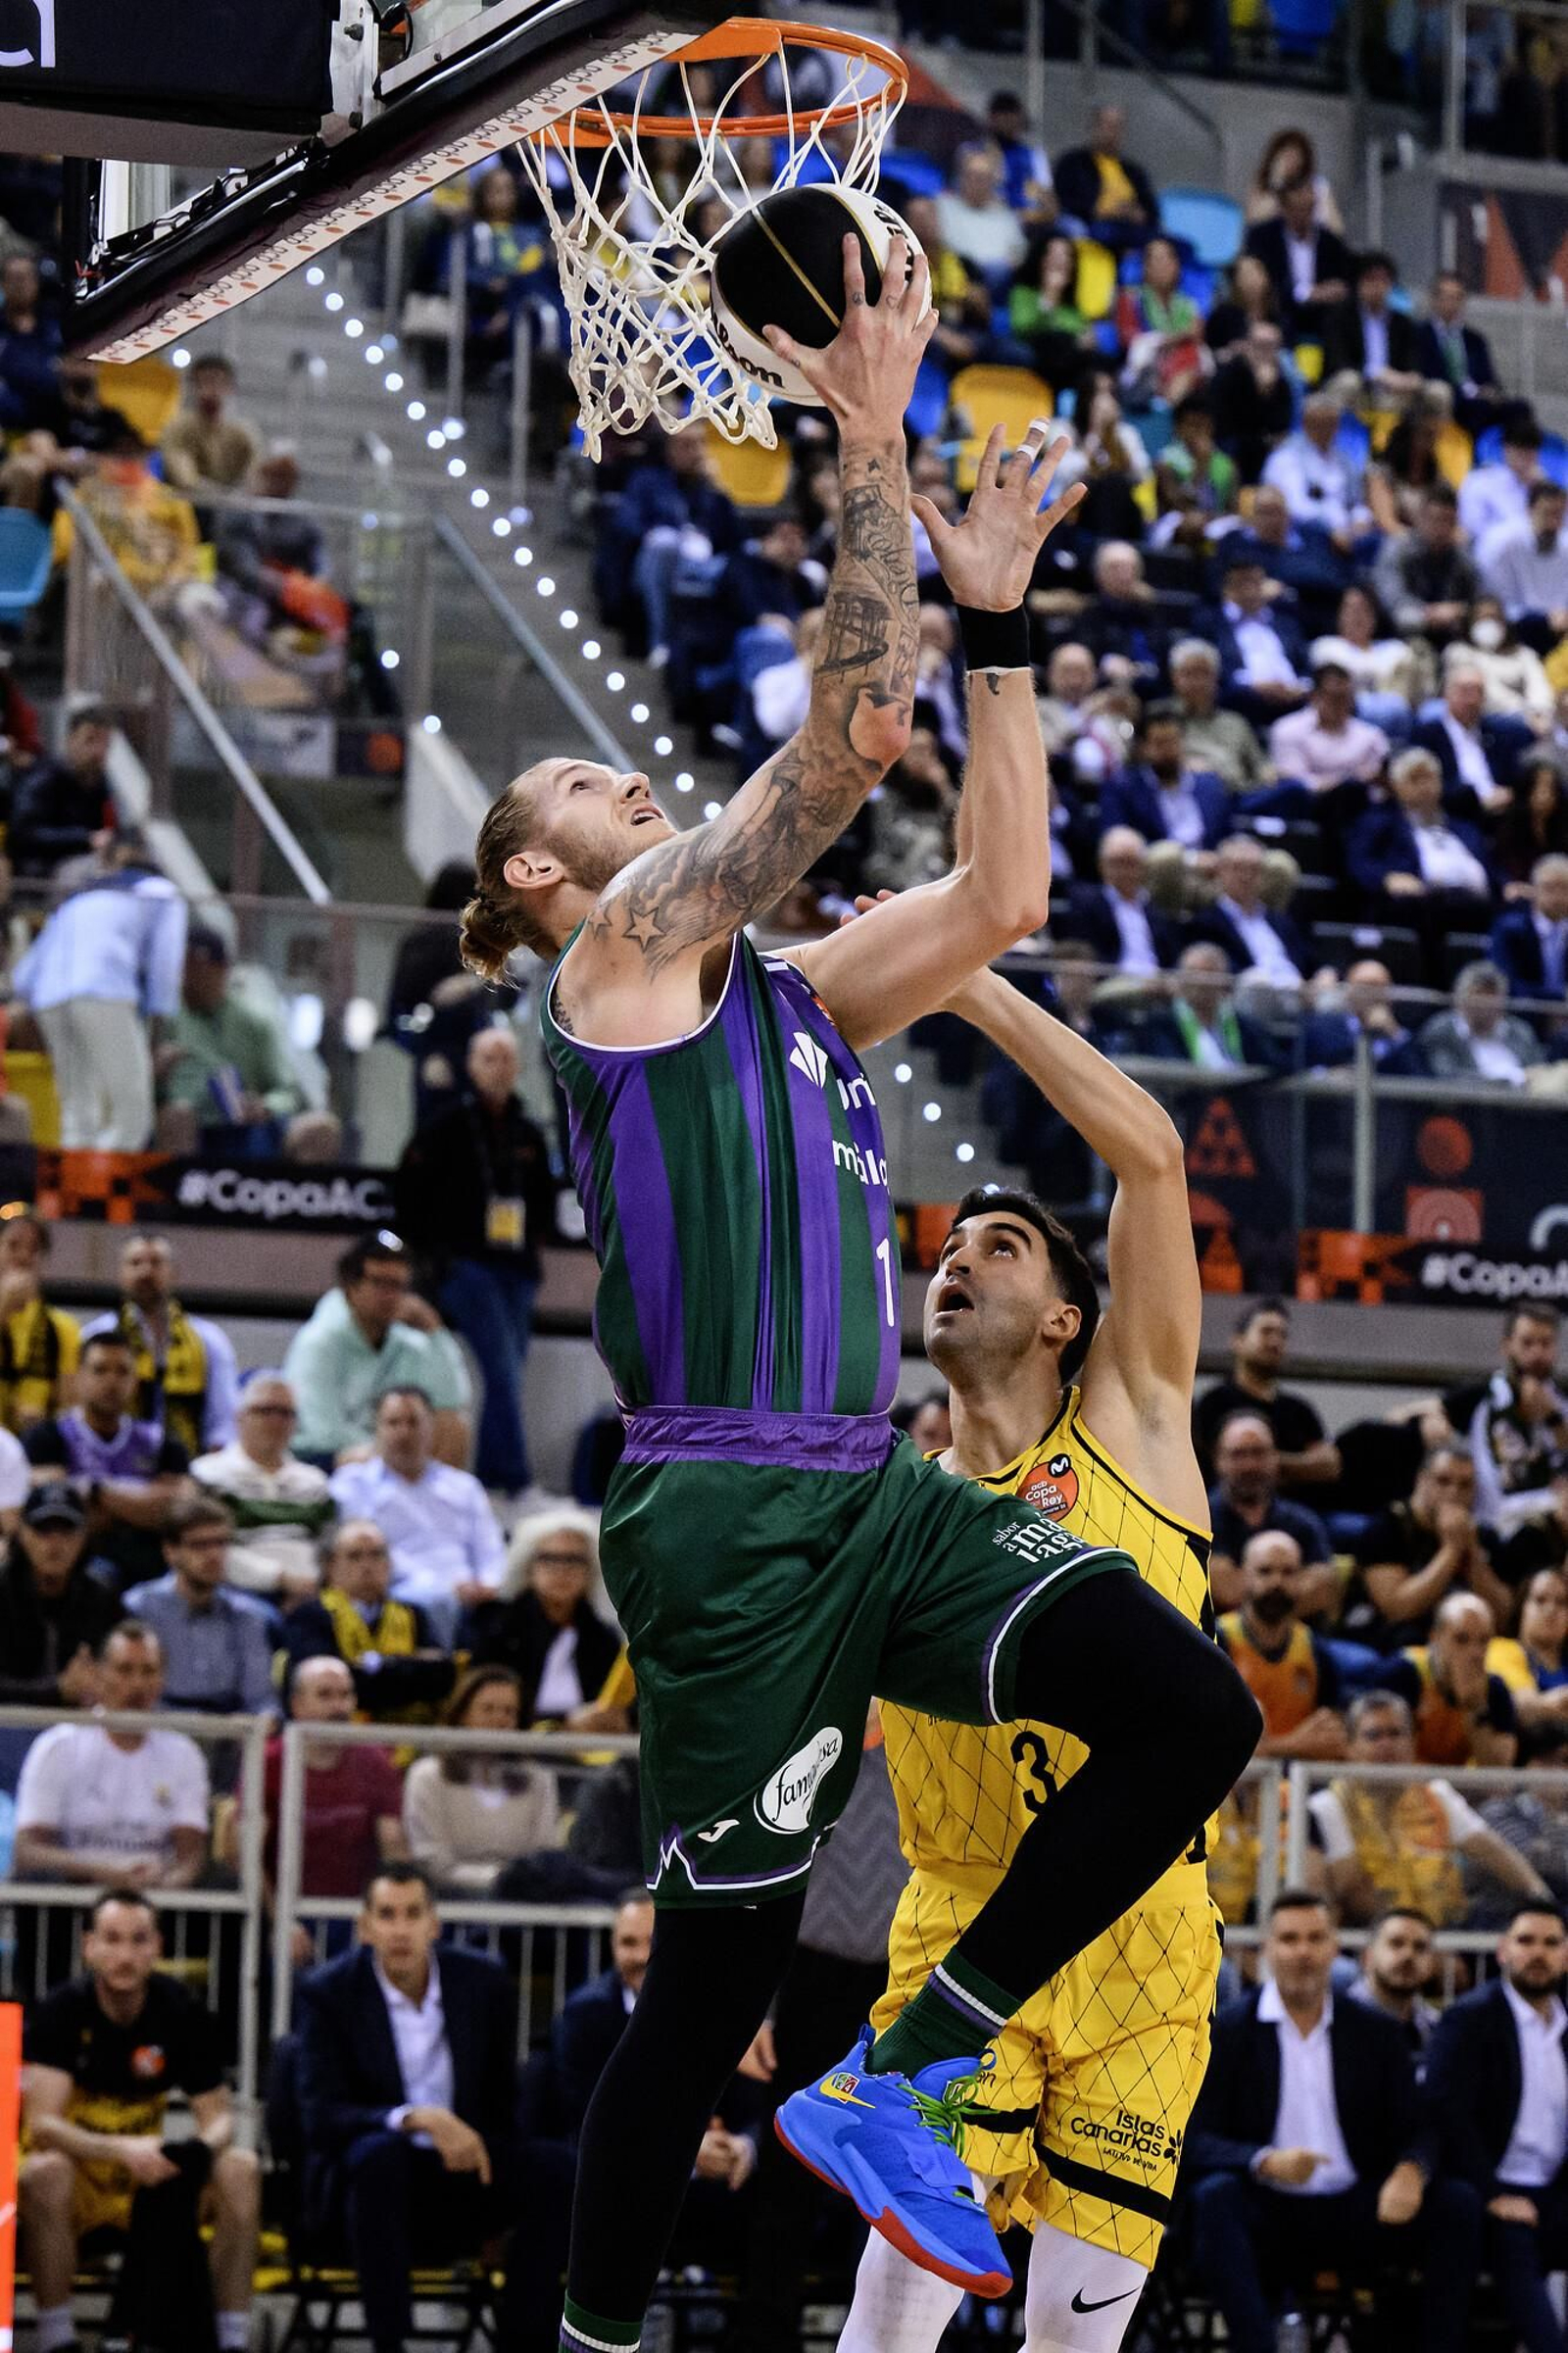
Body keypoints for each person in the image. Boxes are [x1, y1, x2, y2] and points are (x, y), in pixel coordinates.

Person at [459, 263, 1255, 2317]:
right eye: (581, 790)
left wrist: (1001, 624)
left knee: (1191, 1708)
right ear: (536, 875)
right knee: (710, 1978)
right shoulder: (618, 963)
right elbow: (843, 745)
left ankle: (905, 2067)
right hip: (729, 1507)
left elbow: (1005, 894)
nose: (622, 787)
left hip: (873, 1490)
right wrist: (872, 440)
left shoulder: (793, 992)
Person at [838, 962, 1230, 2351]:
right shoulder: (888, 1507)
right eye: (946, 1247)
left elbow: (1153, 1155)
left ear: (1069, 1317)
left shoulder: (1134, 1419)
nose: (955, 1258)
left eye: (998, 1246)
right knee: (892, 2321)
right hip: (963, 1920)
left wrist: (968, 984)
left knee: (1074, 2340)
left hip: (1149, 1942)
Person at [1185, 1887, 1481, 2353]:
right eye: (1289, 1939)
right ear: (1266, 1949)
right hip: (1267, 2210)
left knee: (1457, 2204)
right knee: (1214, 2198)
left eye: (1315, 1938)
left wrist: (1412, 2170)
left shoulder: (1375, 2031)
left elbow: (1420, 2124)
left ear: (1335, 1948)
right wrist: (1262, 2160)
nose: (1303, 1951)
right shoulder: (1230, 2032)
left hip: (1357, 2205)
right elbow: (1195, 2137)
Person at [296, 1861, 570, 2353]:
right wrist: (415, 2118)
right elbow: (321, 2116)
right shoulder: (329, 1993)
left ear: (434, 1924)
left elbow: (502, 2098)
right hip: (373, 2177)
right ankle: (390, 2342)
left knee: (559, 2170)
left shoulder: (483, 1982)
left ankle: (524, 2338)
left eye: (412, 1914)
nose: (400, 1929)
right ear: (364, 1927)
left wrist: (489, 2155)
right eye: (387, 1915)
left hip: (463, 2166)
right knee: (378, 2158)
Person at [21, 1889, 259, 2353]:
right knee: (44, 2171)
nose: (125, 1955)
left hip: (146, 2180)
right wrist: (120, 2149)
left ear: (158, 1948)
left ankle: (231, 2339)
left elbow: (220, 2121)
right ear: (89, 1946)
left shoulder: (181, 2009)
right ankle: (57, 2338)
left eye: (138, 1940)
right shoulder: (62, 2010)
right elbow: (43, 2125)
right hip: (84, 2176)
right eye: (112, 1939)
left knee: (241, 2168)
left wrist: (194, 2152)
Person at [394, 1025, 557, 1497]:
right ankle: (515, 1480)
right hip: (465, 1265)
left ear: (518, 1067)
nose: (498, 1067)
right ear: (471, 1067)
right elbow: (409, 1191)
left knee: (508, 1376)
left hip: (517, 1268)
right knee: (502, 1370)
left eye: (506, 1058)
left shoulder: (528, 1131)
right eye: (489, 1058)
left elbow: (545, 1199)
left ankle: (488, 1479)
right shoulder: (446, 1125)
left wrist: (534, 1240)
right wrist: (432, 1255)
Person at [1427, 1901, 1568, 2353]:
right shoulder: (1470, 2018)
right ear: (1503, 1950)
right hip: (1493, 2188)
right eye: (1526, 1941)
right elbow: (1446, 2111)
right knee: (1515, 2246)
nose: (1538, 1953)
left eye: (1551, 1943)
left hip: (1555, 2189)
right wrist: (1492, 2193)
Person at [1306, 1689, 1544, 1925]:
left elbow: (1493, 1851)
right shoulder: (1328, 1805)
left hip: (1444, 1931)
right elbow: (1351, 1890)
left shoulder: (1437, 1793)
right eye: (1374, 1735)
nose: (1386, 1744)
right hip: (1369, 1933)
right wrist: (1409, 1933)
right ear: (1349, 1746)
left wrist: (1542, 1900)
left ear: (1412, 1742)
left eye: (1396, 1733)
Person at [15, 833, 187, 1152]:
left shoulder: (79, 898)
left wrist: (31, 1000)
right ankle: (106, 1180)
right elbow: (165, 963)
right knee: (132, 1111)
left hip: (50, 998)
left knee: (77, 1112)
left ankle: (75, 1181)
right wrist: (158, 1022)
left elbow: (25, 975)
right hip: (103, 992)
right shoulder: (161, 891)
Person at [13, 1621, 210, 1888]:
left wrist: (163, 1888)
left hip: (154, 1897)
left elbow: (191, 1858)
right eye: (124, 1670)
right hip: (74, 1895)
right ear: (101, 1673)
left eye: (148, 1671)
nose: (137, 1684)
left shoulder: (184, 1753)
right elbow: (27, 1852)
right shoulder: (57, 1746)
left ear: (162, 1681)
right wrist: (104, 1873)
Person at [24, 1328, 192, 1593]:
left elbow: (176, 1510)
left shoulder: (161, 1440)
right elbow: (55, 1508)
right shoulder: (46, 1437)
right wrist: (140, 1503)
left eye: (123, 1372)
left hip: (154, 1566)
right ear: (79, 1377)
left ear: (135, 1381)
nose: (112, 1381)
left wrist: (95, 1491)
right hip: (78, 1564)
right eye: (100, 1370)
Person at [282, 1233, 471, 1468]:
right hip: (322, 1460)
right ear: (351, 1287)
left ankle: (431, 1492)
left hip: (386, 1454)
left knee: (454, 1426)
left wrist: (435, 1330)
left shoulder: (407, 1342)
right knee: (358, 1456)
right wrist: (389, 1448)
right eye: (379, 1283)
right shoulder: (318, 1341)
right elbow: (323, 1433)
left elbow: (453, 1398)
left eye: (398, 1285)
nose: (390, 1296)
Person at [328, 1388, 502, 1642]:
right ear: (377, 1429)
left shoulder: (464, 1486)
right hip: (398, 1588)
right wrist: (445, 1586)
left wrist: (488, 1583)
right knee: (436, 1601)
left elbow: (490, 1547)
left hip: (470, 1590)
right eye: (393, 1423)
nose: (404, 1432)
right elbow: (365, 1549)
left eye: (413, 1422)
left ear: (431, 1428)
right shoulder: (354, 1484)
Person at [260, 1656, 408, 1937]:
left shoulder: (375, 1760)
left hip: (359, 1915)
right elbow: (245, 1854)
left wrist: (384, 1921)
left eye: (345, 1695)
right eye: (325, 1695)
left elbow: (393, 1848)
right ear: (297, 1705)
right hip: (283, 1915)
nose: (339, 1707)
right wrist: (280, 1922)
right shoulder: (268, 1761)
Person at [82, 1232, 239, 1462]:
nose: (145, 1272)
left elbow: (224, 1424)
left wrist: (209, 1472)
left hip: (189, 1468)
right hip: (110, 1465)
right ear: (121, 1274)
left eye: (156, 1262)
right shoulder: (96, 1336)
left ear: (174, 1273)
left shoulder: (209, 1340)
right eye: (135, 1263)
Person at [403, 1665, 561, 1892]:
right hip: (453, 1893)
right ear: (462, 1715)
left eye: (509, 1712)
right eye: (488, 1709)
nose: (499, 1720)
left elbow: (544, 1853)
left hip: (524, 1893)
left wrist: (519, 1881)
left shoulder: (539, 1778)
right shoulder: (427, 1776)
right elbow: (431, 1860)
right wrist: (499, 1878)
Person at [279, 1521, 456, 1725]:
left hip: (410, 1736)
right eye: (354, 1556)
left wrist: (370, 1668)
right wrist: (407, 1668)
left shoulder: (413, 1614)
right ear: (329, 1566)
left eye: (377, 1555)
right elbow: (323, 1686)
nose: (367, 1566)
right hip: (337, 1733)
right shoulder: (309, 1615)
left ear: (389, 1564)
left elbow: (442, 1677)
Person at [122, 1494, 275, 1721]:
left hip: (231, 1730)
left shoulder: (248, 1614)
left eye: (221, 1543)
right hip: (159, 1725)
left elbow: (260, 1699)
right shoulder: (140, 1607)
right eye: (200, 1545)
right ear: (170, 1552)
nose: (214, 1555)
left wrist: (263, 1719)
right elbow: (130, 1691)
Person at [158, 924, 302, 1154]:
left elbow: (288, 1092)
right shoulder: (166, 1018)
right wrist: (158, 1074)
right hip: (187, 1123)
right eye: (183, 968)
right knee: (179, 1115)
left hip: (243, 1126)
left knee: (319, 1129)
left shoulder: (253, 1021)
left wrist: (265, 1106)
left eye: (196, 968)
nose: (188, 978)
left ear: (222, 969)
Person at [467, 1508, 620, 1724]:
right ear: (528, 1567)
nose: (562, 1570)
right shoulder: (499, 1629)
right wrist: (565, 1725)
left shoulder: (603, 1639)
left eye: (574, 1560)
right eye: (550, 1558)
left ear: (591, 1571)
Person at [1350, 1444, 1509, 1648]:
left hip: (1461, 1638)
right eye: (1443, 1481)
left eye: (1465, 1485)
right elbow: (1397, 1609)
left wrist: (1472, 1552)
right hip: (1390, 1639)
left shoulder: (1483, 1536)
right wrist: (1452, 1550)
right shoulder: (1388, 1526)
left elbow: (1502, 1618)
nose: (1453, 1492)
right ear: (1422, 1480)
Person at [191, 1373, 332, 1600]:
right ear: (240, 1417)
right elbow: (209, 1549)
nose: (276, 1421)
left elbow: (330, 1550)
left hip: (312, 1595)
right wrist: (281, 1580)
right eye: (265, 1411)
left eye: (285, 1413)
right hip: (236, 1594)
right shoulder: (208, 1474)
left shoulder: (315, 1481)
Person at [1216, 1528, 1348, 1758]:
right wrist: (1293, 1745)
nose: (1277, 1582)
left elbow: (1333, 1741)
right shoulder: (1217, 1640)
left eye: (1288, 1572)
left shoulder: (1316, 1651)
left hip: (1298, 1779)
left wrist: (1268, 1748)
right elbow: (1213, 1738)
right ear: (1244, 1575)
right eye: (1265, 1571)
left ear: (1301, 1578)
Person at [1444, 1305, 1568, 1540]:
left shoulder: (1562, 1405)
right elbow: (1426, 1414)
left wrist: (1553, 1418)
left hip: (1551, 1531)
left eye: (1545, 1343)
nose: (1537, 1353)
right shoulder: (1479, 1396)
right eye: (1527, 1343)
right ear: (1507, 1346)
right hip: (1490, 1528)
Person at [1193, 1297, 1341, 1492]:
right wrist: (1299, 1466)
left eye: (1282, 1335)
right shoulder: (1214, 1403)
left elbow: (1329, 1465)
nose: (1275, 1341)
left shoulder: (1298, 1409)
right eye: (1266, 1332)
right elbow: (1213, 1466)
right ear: (1238, 1341)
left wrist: (1268, 1460)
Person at [0, 1480, 120, 1706]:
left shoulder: (101, 1595)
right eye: (43, 1530)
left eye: (67, 1531)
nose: (55, 1543)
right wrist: (56, 1691)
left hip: (82, 1722)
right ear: (22, 1533)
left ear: (84, 1536)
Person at [1204, 1414, 1337, 1615]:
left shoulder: (1303, 1522)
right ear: (1218, 1460)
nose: (1250, 1465)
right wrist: (1288, 1587)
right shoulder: (1201, 1518)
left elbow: (1322, 1589)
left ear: (1275, 1457)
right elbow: (1226, 1591)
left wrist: (1254, 1589)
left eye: (1258, 1453)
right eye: (1238, 1454)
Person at [1385, 1591, 1521, 1767]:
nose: (1475, 1652)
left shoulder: (1494, 1688)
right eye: (1461, 1639)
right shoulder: (1402, 1673)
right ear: (1435, 1638)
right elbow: (1384, 1754)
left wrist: (1475, 1708)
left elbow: (1498, 1771)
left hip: (1460, 1783)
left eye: (1483, 1641)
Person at [1098, 705, 1230, 852]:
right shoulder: (1124, 787)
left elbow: (1227, 831)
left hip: (1210, 859)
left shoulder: (1210, 784)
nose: (1168, 750)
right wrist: (1190, 860)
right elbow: (1117, 838)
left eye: (1173, 741)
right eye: (1160, 743)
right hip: (1154, 861)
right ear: (1144, 748)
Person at [8, 699, 116, 879]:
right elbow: (24, 834)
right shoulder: (44, 777)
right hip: (41, 872)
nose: (98, 751)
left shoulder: (100, 784)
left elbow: (111, 830)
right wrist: (85, 839)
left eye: (105, 743)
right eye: (90, 740)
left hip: (81, 862)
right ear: (71, 740)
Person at [1189, 835, 1313, 987]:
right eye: (1237, 868)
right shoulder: (1206, 921)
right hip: (1248, 993)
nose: (1246, 876)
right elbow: (1220, 973)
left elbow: (1308, 962)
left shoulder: (1279, 919)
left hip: (1298, 992)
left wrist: (1324, 973)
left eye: (1254, 869)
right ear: (1220, 871)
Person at [1243, 175, 1352, 338]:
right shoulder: (1263, 237)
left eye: (1310, 208)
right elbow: (1267, 281)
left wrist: (1333, 290)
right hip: (1278, 312)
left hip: (1323, 316)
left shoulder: (1330, 242)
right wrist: (1307, 294)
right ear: (1284, 208)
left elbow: (1343, 281)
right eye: (1298, 208)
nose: (1305, 215)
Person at [0, 1211, 80, 1434]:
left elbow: (69, 1406)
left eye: (34, 1249)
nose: (23, 1256)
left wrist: (46, 1425)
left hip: (32, 1444)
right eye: (13, 1245)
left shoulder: (63, 1328)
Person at [1373, 483, 1480, 647]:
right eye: (1435, 519)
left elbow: (1483, 601)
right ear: (1420, 518)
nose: (1441, 528)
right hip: (1401, 638)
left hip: (1453, 638)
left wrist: (1461, 611)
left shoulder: (1462, 556)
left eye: (1448, 521)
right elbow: (1393, 605)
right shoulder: (1397, 549)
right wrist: (1430, 615)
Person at [1063, 827, 1181, 977]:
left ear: (1143, 866)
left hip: (1157, 980)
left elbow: (1170, 955)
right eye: (1118, 863)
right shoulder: (1087, 905)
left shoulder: (1155, 907)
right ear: (1102, 865)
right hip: (1112, 980)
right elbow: (1087, 954)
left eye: (1131, 863)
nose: (1125, 871)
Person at [1262, 388, 1373, 545]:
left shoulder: (1344, 459)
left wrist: (1360, 520)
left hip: (1348, 533)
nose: (1326, 430)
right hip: (1305, 535)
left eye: (1331, 424)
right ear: (1305, 423)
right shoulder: (1286, 457)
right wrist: (1331, 530)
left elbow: (1355, 502)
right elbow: (1295, 507)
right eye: (1319, 424)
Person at [1168, 638, 1272, 795]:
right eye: (1189, 674)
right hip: (1193, 795)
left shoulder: (1235, 722)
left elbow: (1259, 765)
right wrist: (1182, 765)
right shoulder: (1163, 718)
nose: (1197, 682)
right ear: (1174, 677)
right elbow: (1150, 760)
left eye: (1204, 673)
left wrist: (1269, 772)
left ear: (1216, 678)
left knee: (1292, 788)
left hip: (1242, 794)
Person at [1267, 662, 1390, 793]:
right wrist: (1344, 783)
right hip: (1308, 802)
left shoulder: (1371, 734)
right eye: (1334, 698)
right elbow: (1295, 783)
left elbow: (1379, 780)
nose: (1341, 705)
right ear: (1314, 696)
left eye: (1346, 698)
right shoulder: (1287, 729)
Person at [1420, 959, 1544, 1088]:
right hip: (1472, 1099)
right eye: (1479, 996)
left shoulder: (1520, 1030)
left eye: (1492, 997)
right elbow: (1447, 1078)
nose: (1485, 1006)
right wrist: (1509, 1081)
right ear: (1460, 999)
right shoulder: (1441, 1031)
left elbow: (1539, 1071)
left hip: (1527, 1098)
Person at [1320, 250, 1425, 402]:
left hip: (1393, 390)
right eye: (1371, 279)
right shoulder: (1340, 317)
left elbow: (1412, 361)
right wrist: (1375, 374)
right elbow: (1337, 362)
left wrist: (1410, 377)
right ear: (1359, 283)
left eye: (1383, 280)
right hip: (1357, 387)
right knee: (1348, 381)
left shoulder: (1402, 323)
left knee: (1434, 391)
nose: (1377, 286)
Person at [1053, 104, 1157, 250]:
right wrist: (1105, 210)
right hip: (1093, 226)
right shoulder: (1073, 163)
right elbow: (1063, 200)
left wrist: (1137, 213)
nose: (1112, 132)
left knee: (1169, 245)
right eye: (1107, 125)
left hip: (1131, 227)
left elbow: (1150, 209)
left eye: (1117, 126)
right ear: (1094, 127)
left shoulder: (1133, 171)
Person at [1482, 478, 1568, 651]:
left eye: (1558, 515)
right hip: (1516, 630)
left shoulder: (1565, 547)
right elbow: (1501, 604)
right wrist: (1544, 619)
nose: (1553, 523)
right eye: (1547, 514)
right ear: (1529, 511)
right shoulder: (1504, 545)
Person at [160, 354, 262, 496]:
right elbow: (184, 478)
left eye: (219, 382)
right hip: (188, 504)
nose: (212, 390)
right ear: (194, 386)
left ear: (230, 387)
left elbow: (255, 479)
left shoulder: (244, 433)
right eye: (205, 382)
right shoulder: (178, 428)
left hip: (231, 505)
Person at [1299, 957, 1418, 1073]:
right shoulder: (1321, 1027)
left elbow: (1419, 1078)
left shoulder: (1402, 1035)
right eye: (1363, 986)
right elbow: (1298, 1071)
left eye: (1377, 986)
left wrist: (1394, 1033)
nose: (1370, 993)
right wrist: (1327, 1075)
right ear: (1348, 991)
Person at [1348, 1906, 1441, 2053]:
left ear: (1432, 1964)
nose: (1408, 1955)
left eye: (1420, 1947)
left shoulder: (1437, 2027)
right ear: (1367, 1957)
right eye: (1396, 1943)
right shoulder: (1335, 2022)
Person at [1489, 1566, 1568, 1739]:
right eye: (1540, 1600)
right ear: (1522, 1608)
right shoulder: (1503, 1650)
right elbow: (1523, 1708)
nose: (1551, 1610)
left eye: (1561, 1602)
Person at [1416, 270, 1500, 427]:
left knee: (1519, 408)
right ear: (1434, 300)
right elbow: (1424, 373)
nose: (1452, 304)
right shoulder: (1420, 335)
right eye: (1447, 297)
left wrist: (1490, 390)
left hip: (1477, 398)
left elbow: (1490, 378)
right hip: (1448, 397)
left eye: (1457, 298)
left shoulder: (1474, 339)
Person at [935, 143, 1026, 279]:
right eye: (971, 175)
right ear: (961, 176)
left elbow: (1019, 254)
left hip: (998, 280)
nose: (977, 183)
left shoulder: (1006, 216)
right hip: (955, 275)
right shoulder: (942, 207)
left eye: (983, 177)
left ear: (993, 181)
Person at [1459, 411, 1545, 548]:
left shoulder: (1543, 485)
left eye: (1530, 450)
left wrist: (1541, 489)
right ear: (1506, 448)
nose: (1525, 455)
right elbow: (1473, 527)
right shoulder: (1479, 481)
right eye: (1519, 448)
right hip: (1490, 550)